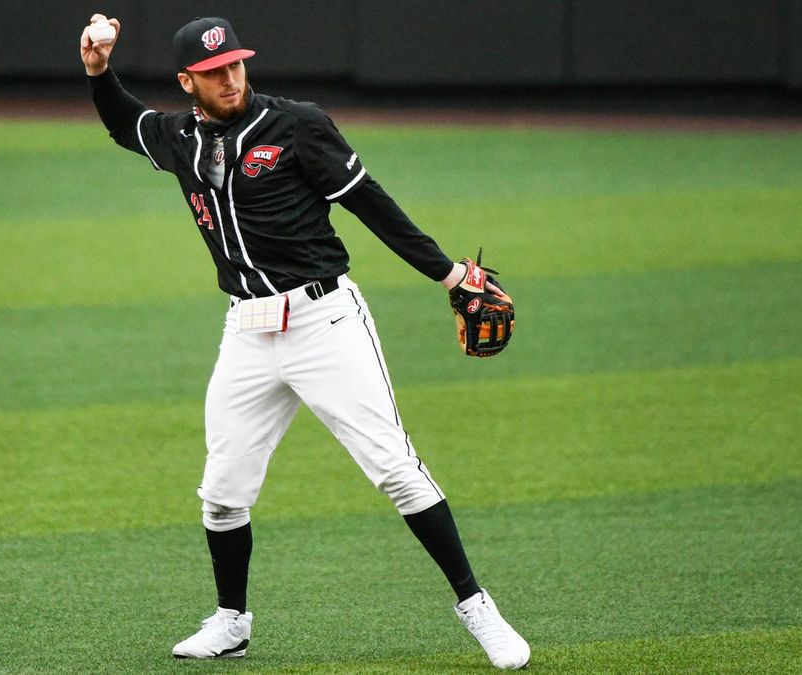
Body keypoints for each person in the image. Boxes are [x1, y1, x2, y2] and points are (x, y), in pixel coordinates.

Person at [79, 14, 531, 669]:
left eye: (235, 64)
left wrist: (451, 273)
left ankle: (477, 607)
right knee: (223, 491)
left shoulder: (297, 125)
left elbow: (370, 202)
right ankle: (231, 621)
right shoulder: (180, 137)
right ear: (188, 81)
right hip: (246, 332)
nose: (229, 77)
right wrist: (97, 68)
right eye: (212, 72)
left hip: (327, 325)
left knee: (397, 471)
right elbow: (126, 122)